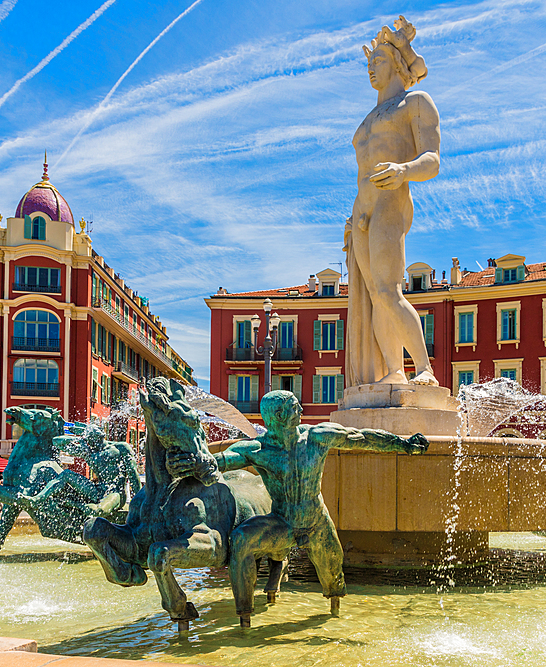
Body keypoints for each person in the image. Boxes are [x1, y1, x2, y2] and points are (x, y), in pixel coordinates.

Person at [170, 390, 428, 626]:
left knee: (333, 575)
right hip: (281, 523)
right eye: (295, 407)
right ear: (280, 415)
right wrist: (194, 463)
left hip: (317, 522)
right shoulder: (258, 449)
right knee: (240, 539)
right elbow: (220, 463)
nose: (301, 410)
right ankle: (244, 615)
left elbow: (360, 437)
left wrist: (402, 444)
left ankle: (334, 610)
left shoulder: (317, 437)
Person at [346, 17, 439, 387]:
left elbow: (432, 160)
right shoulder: (368, 117)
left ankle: (425, 369)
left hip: (391, 200)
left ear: (397, 64)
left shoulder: (415, 102)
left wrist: (403, 170)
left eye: (379, 62)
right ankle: (394, 372)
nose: (372, 69)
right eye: (369, 64)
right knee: (374, 296)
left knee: (388, 289)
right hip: (362, 210)